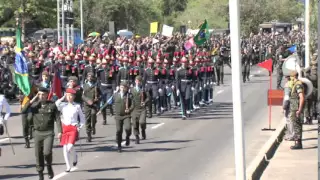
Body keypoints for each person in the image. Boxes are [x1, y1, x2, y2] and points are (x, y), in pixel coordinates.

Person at [21, 87, 62, 180]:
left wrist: (60, 131)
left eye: (43, 94)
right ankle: (40, 173)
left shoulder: (52, 105)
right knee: (38, 154)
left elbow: (58, 118)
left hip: (48, 132)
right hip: (38, 133)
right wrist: (33, 99)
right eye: (39, 94)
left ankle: (49, 166)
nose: (41, 96)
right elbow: (23, 111)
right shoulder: (35, 106)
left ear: (47, 95)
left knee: (47, 153)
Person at [98, 81, 134, 152]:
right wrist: (101, 109)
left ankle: (127, 137)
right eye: (121, 87)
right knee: (118, 130)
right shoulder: (115, 95)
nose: (122, 89)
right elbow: (108, 102)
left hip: (126, 115)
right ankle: (119, 146)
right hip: (118, 116)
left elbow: (133, 105)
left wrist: (129, 109)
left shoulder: (129, 95)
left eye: (124, 87)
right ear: (119, 87)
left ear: (127, 88)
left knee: (128, 128)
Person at [56, 88, 85, 172]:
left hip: (73, 128)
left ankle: (75, 156)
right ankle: (68, 166)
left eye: (71, 95)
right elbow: (56, 104)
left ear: (74, 96)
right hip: (64, 127)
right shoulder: (62, 105)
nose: (69, 97)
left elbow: (82, 118)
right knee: (65, 148)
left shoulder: (77, 106)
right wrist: (63, 97)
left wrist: (80, 126)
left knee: (70, 146)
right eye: (68, 95)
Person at [130, 76, 150, 144]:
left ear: (141, 82)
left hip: (142, 109)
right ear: (135, 81)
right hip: (134, 109)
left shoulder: (143, 89)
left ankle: (143, 130)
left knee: (142, 122)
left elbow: (148, 98)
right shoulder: (131, 89)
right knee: (135, 124)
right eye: (136, 81)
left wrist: (144, 102)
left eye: (139, 81)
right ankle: (137, 137)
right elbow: (128, 98)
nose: (137, 82)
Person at [288, 71, 305, 149]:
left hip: (296, 109)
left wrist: (299, 110)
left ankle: (298, 144)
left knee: (297, 126)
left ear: (294, 77)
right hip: (294, 108)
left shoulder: (298, 85)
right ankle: (297, 142)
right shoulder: (295, 84)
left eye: (291, 77)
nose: (290, 78)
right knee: (296, 125)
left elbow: (301, 97)